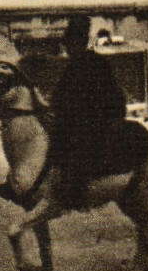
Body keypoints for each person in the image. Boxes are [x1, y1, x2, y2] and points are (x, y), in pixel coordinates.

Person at [45, 15, 129, 209]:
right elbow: (60, 95)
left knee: (80, 144)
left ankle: (77, 191)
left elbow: (107, 96)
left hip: (102, 118)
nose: (66, 48)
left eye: (69, 44)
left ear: (78, 43)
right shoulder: (75, 64)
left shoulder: (92, 62)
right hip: (86, 118)